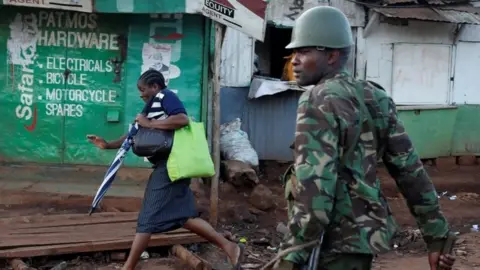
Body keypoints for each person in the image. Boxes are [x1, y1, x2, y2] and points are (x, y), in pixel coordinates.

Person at [273, 6, 456, 270]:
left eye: (304, 51)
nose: (294, 61)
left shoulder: (316, 100)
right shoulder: (376, 97)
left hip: (329, 246)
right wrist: (437, 237)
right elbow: (410, 171)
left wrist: (292, 253)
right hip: (361, 242)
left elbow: (315, 188)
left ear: (332, 56)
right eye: (294, 53)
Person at [87, 69, 245, 270]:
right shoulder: (151, 106)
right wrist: (107, 144)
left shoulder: (166, 97)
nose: (141, 94)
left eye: (143, 89)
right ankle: (229, 247)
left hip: (170, 166)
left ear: (155, 87)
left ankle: (128, 267)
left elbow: (181, 119)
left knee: (147, 218)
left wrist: (150, 123)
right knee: (184, 218)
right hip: (170, 166)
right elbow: (135, 134)